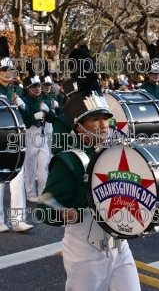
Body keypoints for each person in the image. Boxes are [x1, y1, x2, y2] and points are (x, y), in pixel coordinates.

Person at [36, 47, 141, 291]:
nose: (104, 125)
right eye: (95, 120)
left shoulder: (115, 153)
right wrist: (63, 213)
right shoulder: (69, 162)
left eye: (105, 118)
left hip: (119, 245)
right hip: (85, 251)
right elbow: (44, 205)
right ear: (79, 127)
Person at [0, 36, 33, 232]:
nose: (10, 74)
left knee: (17, 177)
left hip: (15, 139)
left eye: (10, 71)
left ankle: (18, 219)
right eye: (5, 71)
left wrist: (21, 105)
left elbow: (28, 121)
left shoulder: (18, 92)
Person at [15, 73, 56, 203]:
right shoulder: (25, 101)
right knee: (30, 166)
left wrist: (48, 110)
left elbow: (51, 119)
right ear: (27, 88)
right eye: (34, 86)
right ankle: (30, 193)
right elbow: (26, 121)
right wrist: (32, 115)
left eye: (38, 86)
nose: (38, 89)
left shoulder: (41, 100)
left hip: (42, 134)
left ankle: (43, 193)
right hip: (30, 134)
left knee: (43, 165)